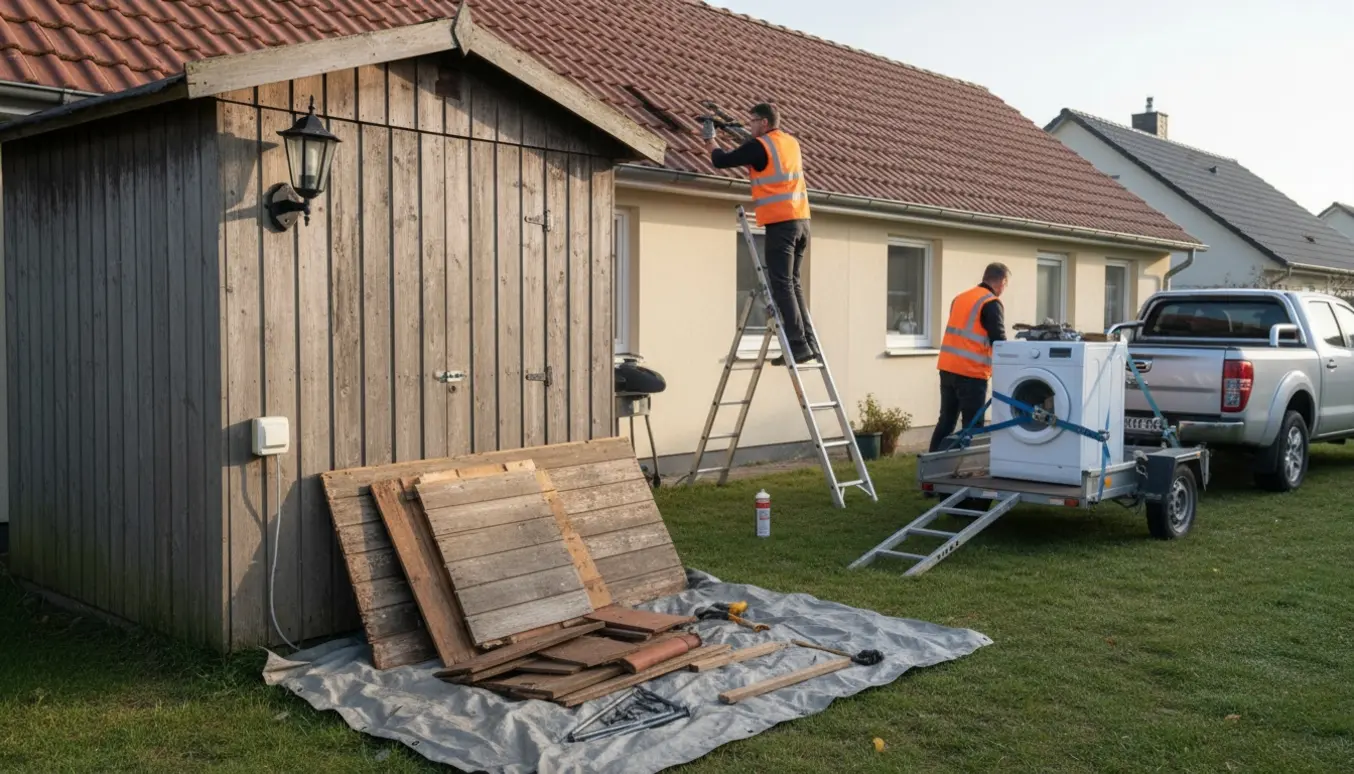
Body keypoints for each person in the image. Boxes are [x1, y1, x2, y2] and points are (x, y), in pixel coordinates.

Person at [705, 102, 816, 366]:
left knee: (782, 284)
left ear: (764, 122)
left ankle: (798, 345)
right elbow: (758, 150)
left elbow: (721, 160)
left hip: (781, 223)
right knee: (793, 283)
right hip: (802, 221)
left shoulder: (760, 146)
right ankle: (808, 343)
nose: (751, 125)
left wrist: (710, 139)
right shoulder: (789, 142)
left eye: (753, 121)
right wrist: (734, 131)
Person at [928, 262, 1010, 452]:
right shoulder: (991, 303)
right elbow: (999, 341)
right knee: (973, 425)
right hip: (971, 373)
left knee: (946, 420)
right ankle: (968, 465)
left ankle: (930, 463)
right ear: (1002, 282)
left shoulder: (960, 298)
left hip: (948, 368)